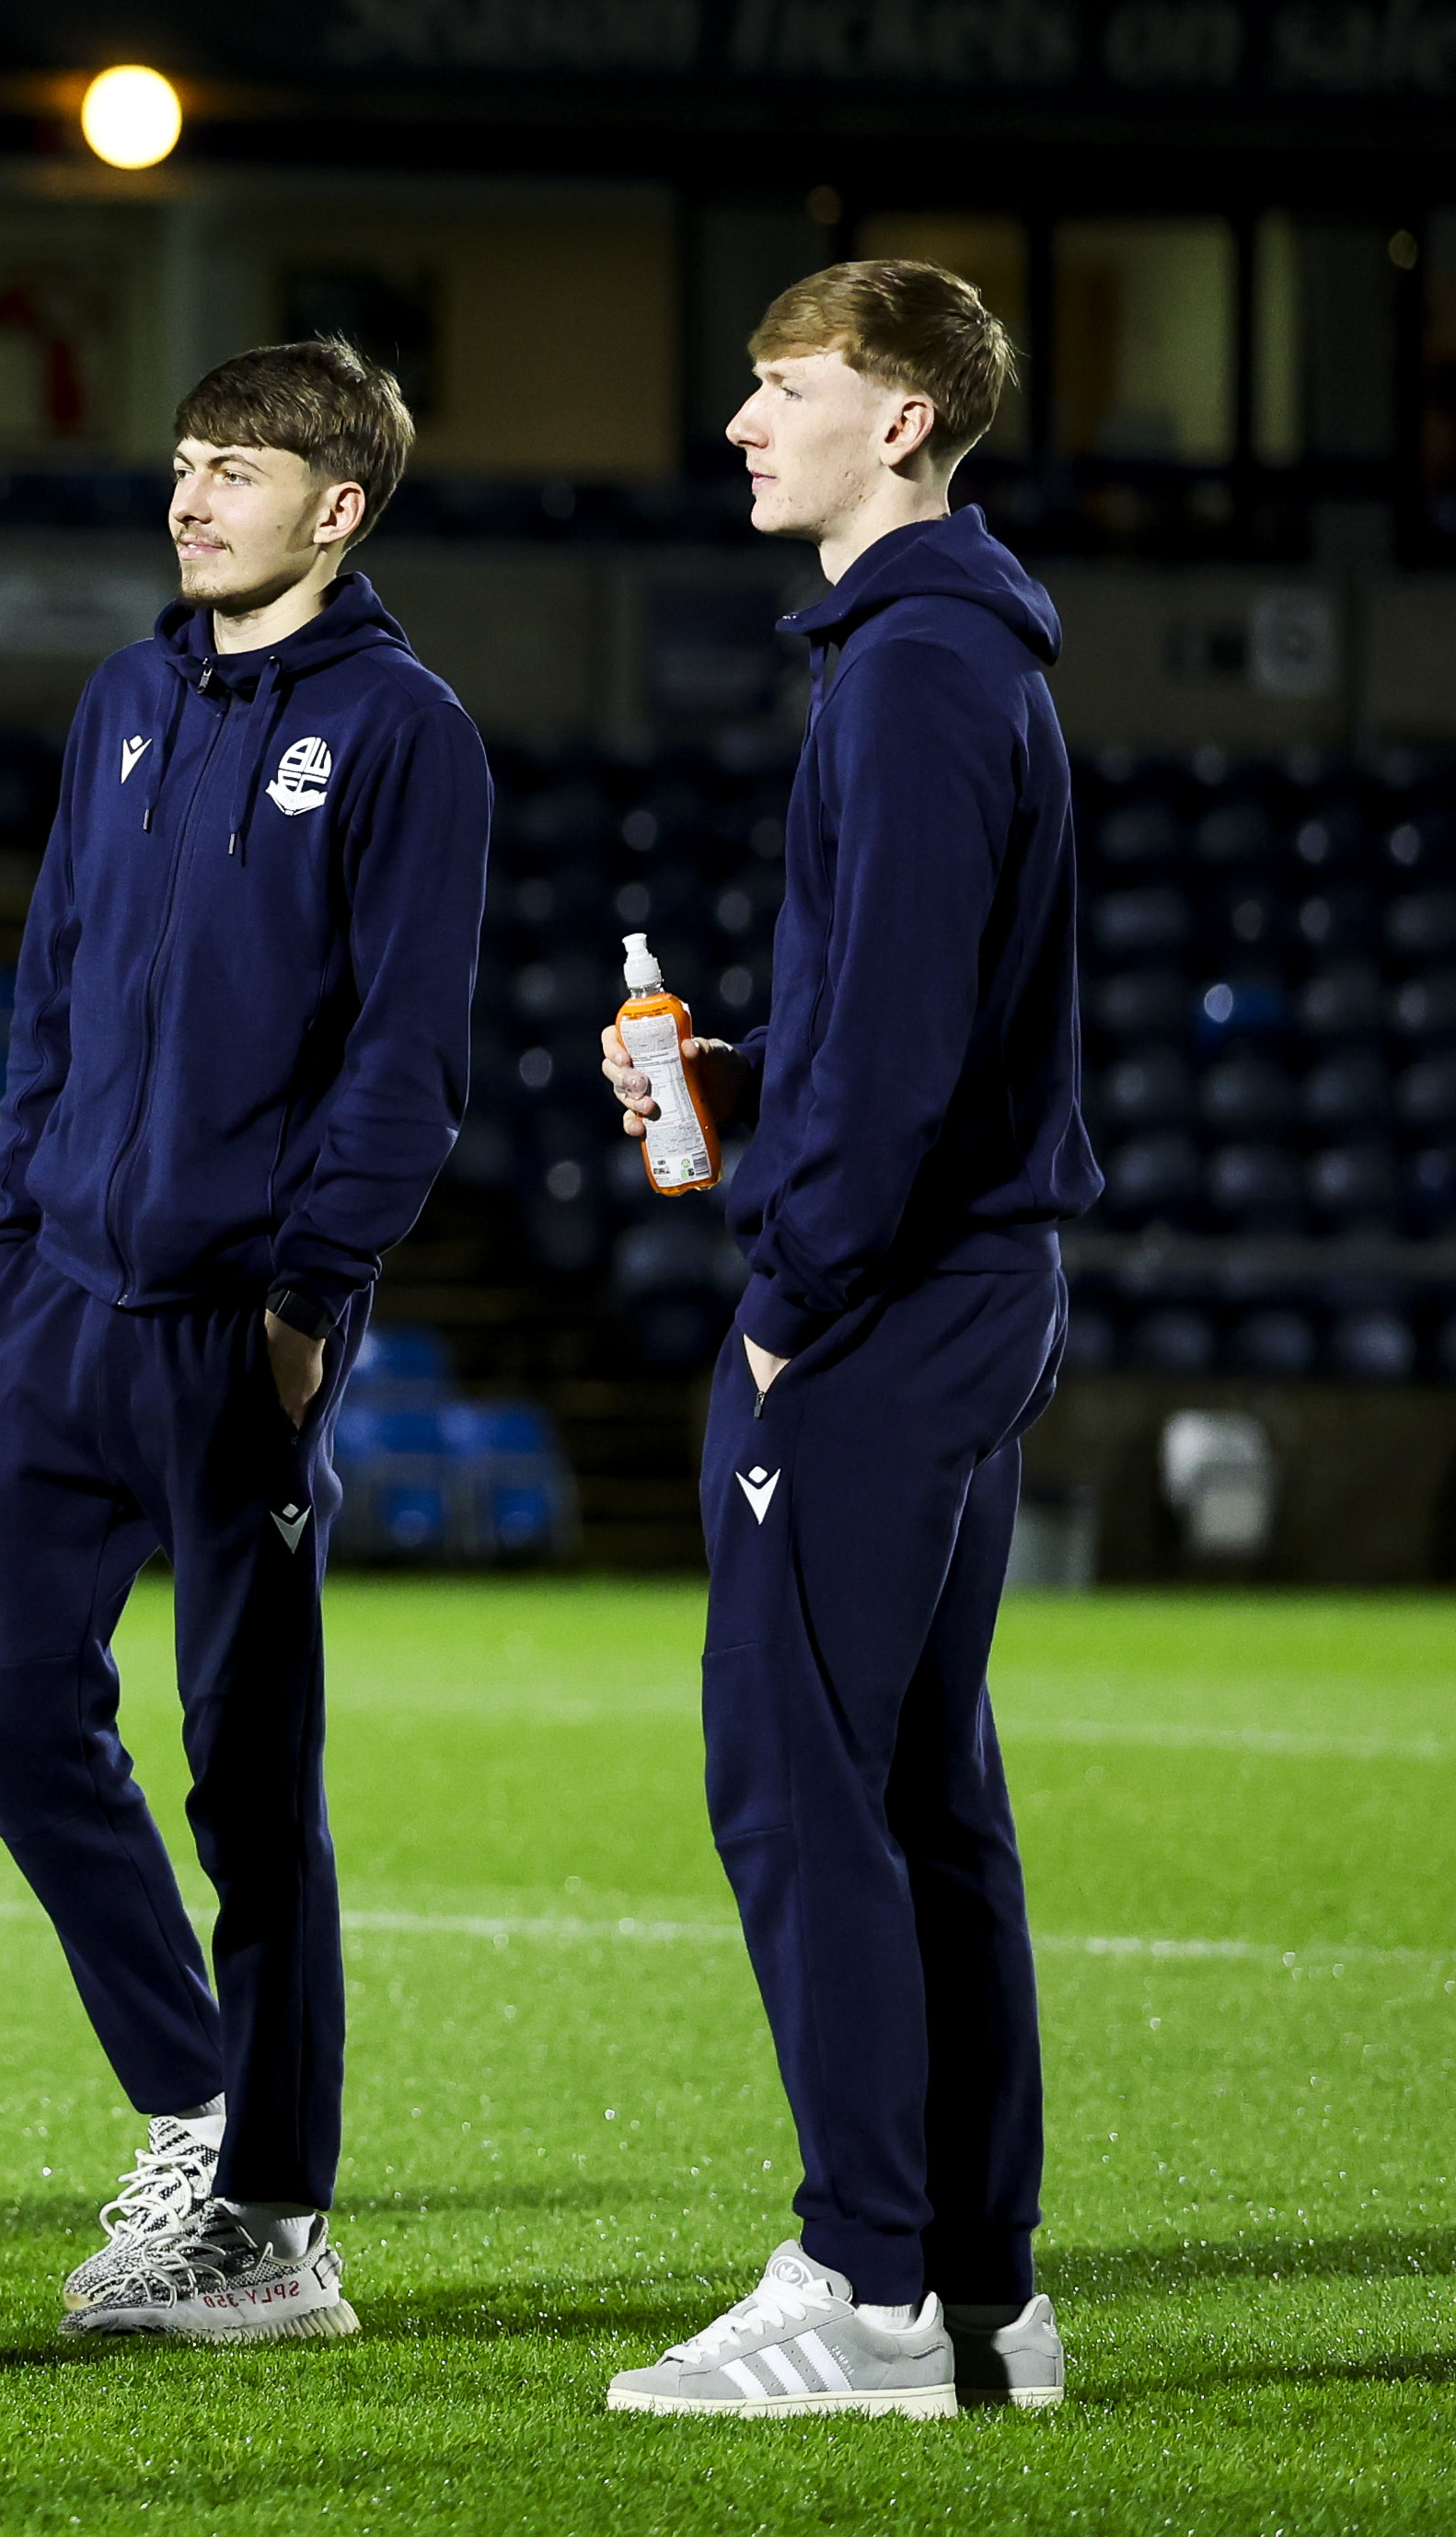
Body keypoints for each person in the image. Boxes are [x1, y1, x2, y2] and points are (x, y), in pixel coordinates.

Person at [0, 338, 486, 2344]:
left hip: (227, 1336)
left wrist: (302, 1306)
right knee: (19, 1718)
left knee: (248, 1790)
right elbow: (50, 1006)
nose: (188, 499)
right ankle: (195, 2102)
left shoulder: (406, 733)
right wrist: (2, 1255)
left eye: (234, 471)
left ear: (334, 510)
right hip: (48, 1318)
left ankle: (272, 2225)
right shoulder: (121, 699)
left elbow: (406, 1060)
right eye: (181, 464)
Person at [596, 261, 1092, 2421]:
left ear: (898, 422)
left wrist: (790, 1298)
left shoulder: (905, 672)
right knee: (921, 1801)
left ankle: (864, 2296)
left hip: (882, 1308)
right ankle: (976, 2298)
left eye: (779, 387)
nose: (738, 422)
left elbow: (899, 1050)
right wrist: (731, 1061)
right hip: (973, 1278)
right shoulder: (950, 653)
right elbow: (913, 1025)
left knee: (804, 1792)